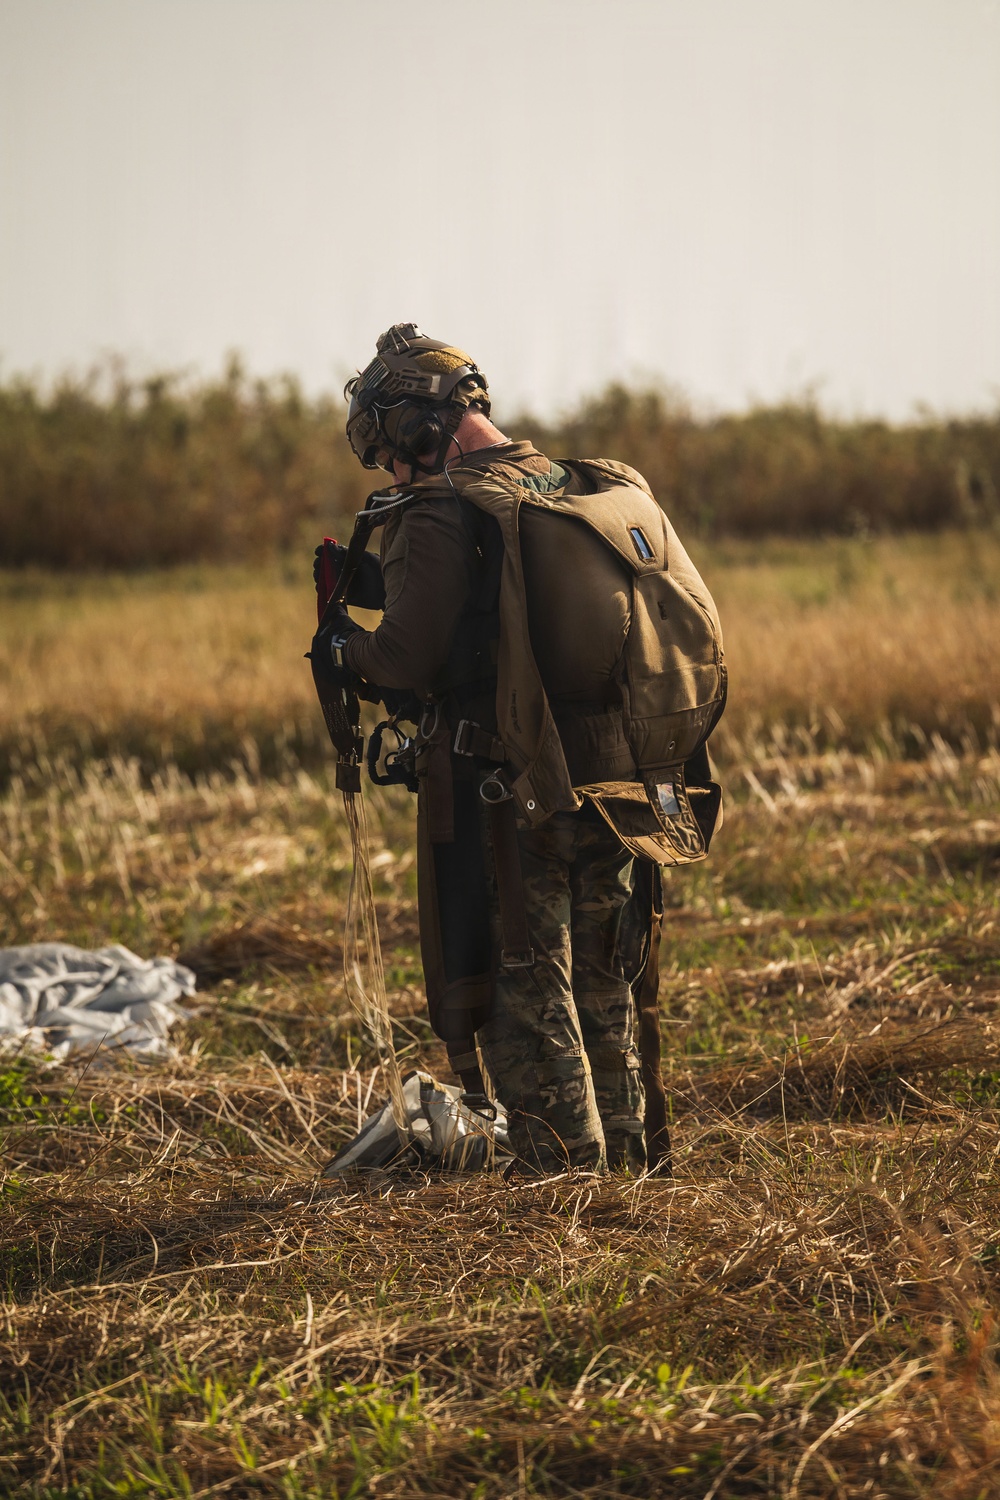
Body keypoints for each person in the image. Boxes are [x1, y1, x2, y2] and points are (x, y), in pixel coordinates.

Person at [314, 324, 724, 1176]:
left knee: (524, 989)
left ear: (419, 428)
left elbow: (409, 657)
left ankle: (568, 1189)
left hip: (512, 790)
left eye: (389, 451)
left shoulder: (435, 507)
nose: (392, 472)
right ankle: (630, 1178)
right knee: (606, 982)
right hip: (617, 781)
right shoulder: (581, 487)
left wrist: (340, 650)